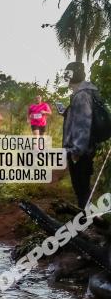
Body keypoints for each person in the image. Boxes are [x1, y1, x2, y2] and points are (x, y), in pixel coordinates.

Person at [62, 61, 104, 208]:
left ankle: (86, 223)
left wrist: (76, 152)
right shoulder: (87, 92)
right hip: (87, 148)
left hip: (80, 151)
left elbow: (83, 125)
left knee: (81, 189)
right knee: (83, 189)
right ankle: (89, 220)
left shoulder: (81, 96)